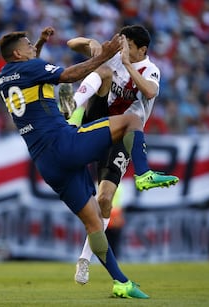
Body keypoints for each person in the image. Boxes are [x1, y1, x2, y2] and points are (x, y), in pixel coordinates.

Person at [0, 27, 176, 299]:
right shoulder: (31, 68)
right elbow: (70, 74)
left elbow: (32, 69)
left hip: (47, 163)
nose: (34, 45)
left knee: (94, 223)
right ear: (19, 53)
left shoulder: (5, 76)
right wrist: (102, 56)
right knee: (132, 121)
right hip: (63, 142)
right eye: (29, 44)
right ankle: (144, 174)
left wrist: (43, 43)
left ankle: (121, 283)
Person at [59, 25, 179, 284]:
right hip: (100, 120)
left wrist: (126, 63)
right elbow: (72, 42)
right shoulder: (114, 57)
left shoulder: (151, 69)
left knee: (104, 200)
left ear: (142, 49)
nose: (123, 49)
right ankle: (70, 108)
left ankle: (84, 259)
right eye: (122, 44)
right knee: (101, 68)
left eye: (128, 46)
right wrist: (95, 45)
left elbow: (149, 92)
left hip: (121, 137)